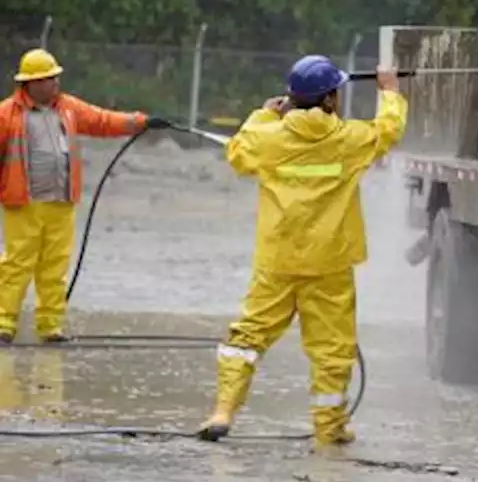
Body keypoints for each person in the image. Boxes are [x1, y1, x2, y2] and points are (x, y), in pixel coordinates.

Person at [197, 55, 406, 445]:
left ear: (291, 97)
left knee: (247, 338)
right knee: (332, 350)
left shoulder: (269, 138)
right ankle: (329, 429)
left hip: (277, 261)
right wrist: (390, 91)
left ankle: (223, 411)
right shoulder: (349, 139)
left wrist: (262, 115)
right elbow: (389, 130)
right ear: (328, 100)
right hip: (329, 263)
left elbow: (238, 152)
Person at [0, 48, 167, 345]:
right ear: (31, 83)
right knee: (17, 265)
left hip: (61, 201)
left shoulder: (67, 108)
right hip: (24, 203)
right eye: (48, 79)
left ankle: (50, 327)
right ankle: (3, 324)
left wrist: (142, 122)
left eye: (55, 78)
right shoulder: (6, 114)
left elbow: (103, 120)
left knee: (55, 267)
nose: (55, 84)